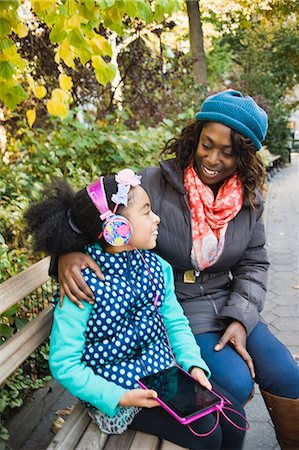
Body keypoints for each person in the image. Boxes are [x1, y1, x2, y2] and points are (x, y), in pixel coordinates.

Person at [51, 91, 299, 449]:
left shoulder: (248, 199)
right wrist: (66, 254)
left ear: (244, 155)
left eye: (227, 151)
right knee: (237, 384)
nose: (213, 158)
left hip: (230, 300)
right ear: (194, 139)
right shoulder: (152, 184)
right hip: (183, 305)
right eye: (206, 144)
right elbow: (95, 211)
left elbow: (254, 262)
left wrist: (240, 319)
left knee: (286, 374)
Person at [24, 170, 247, 449]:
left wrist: (193, 365)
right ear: (117, 227)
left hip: (164, 374)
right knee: (208, 435)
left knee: (235, 415)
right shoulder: (81, 283)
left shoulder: (156, 267)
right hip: (118, 393)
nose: (157, 218)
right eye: (147, 212)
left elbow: (175, 323)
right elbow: (64, 363)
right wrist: (119, 397)